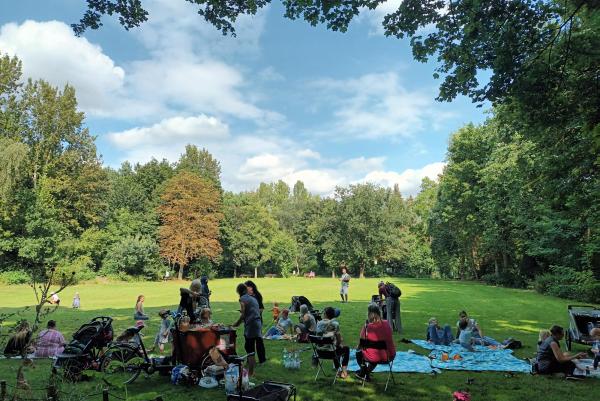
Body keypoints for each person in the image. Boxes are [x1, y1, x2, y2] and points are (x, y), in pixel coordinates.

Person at [355, 304, 396, 382]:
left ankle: (363, 372)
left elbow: (361, 343)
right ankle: (366, 373)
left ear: (369, 314)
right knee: (374, 352)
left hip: (376, 357)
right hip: (389, 355)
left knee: (359, 351)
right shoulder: (387, 323)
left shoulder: (367, 327)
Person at [232, 283, 265, 376]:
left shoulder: (242, 299)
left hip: (251, 325)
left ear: (239, 291)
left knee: (249, 347)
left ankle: (250, 373)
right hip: (258, 323)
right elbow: (252, 311)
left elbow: (243, 314)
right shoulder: (253, 298)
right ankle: (252, 367)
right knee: (251, 345)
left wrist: (236, 324)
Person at [315, 306, 350, 379]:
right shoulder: (335, 324)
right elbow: (339, 339)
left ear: (325, 314)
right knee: (345, 349)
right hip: (331, 353)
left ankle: (338, 370)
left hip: (319, 352)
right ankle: (344, 372)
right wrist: (338, 344)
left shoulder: (318, 324)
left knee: (333, 346)